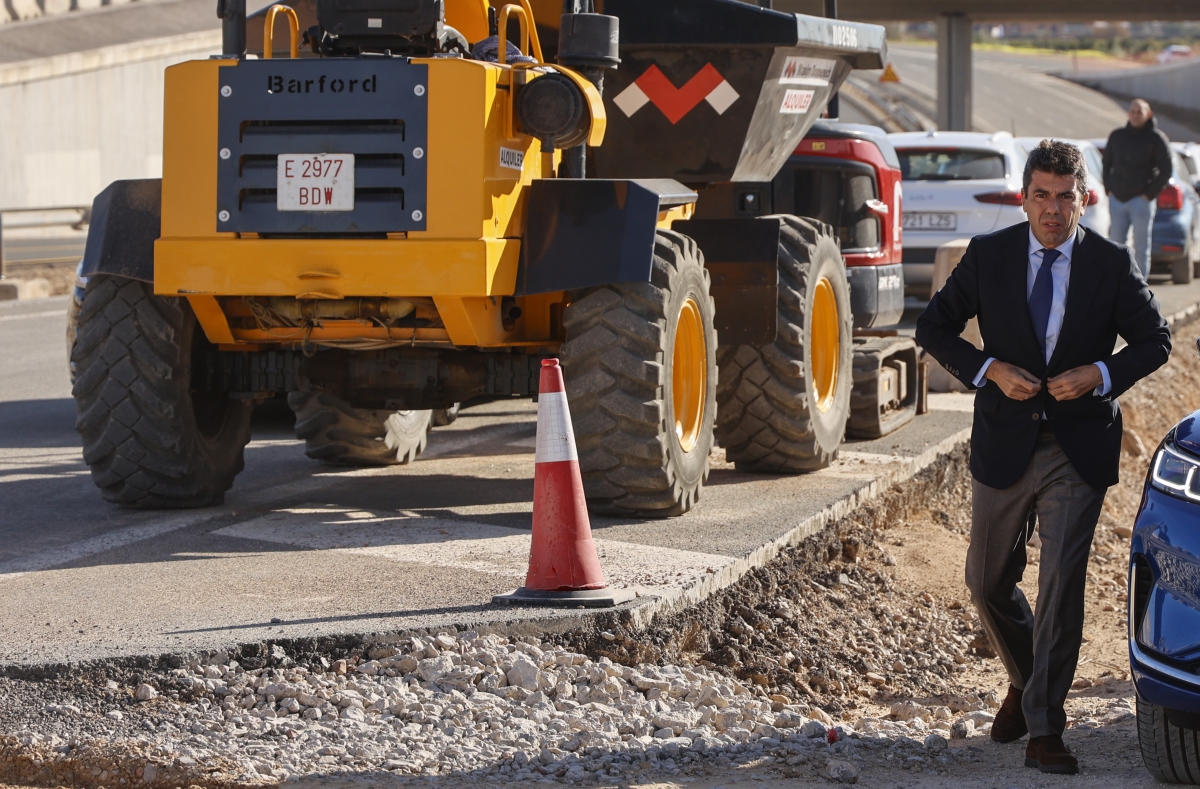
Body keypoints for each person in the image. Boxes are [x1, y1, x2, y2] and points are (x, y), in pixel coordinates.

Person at [917, 140, 1171, 774]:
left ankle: (1046, 729)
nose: (1053, 210)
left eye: (1065, 197)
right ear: (1024, 198)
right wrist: (987, 370)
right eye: (1041, 196)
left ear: (1083, 200)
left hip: (1077, 447)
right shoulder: (990, 256)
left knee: (1060, 586)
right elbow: (933, 328)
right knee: (985, 581)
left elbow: (1155, 340)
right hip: (1005, 441)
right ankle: (1028, 682)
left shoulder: (1110, 266)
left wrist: (1101, 374)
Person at [1103, 98, 1173, 279]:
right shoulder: (1117, 135)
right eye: (1132, 111)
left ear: (1148, 114)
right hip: (1117, 199)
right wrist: (1108, 188)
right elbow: (1106, 163)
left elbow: (1166, 170)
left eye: (1139, 112)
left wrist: (1148, 195)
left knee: (1141, 247)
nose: (1135, 115)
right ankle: (1116, 285)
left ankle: (1140, 289)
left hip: (1141, 201)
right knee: (1116, 245)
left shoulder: (1156, 138)